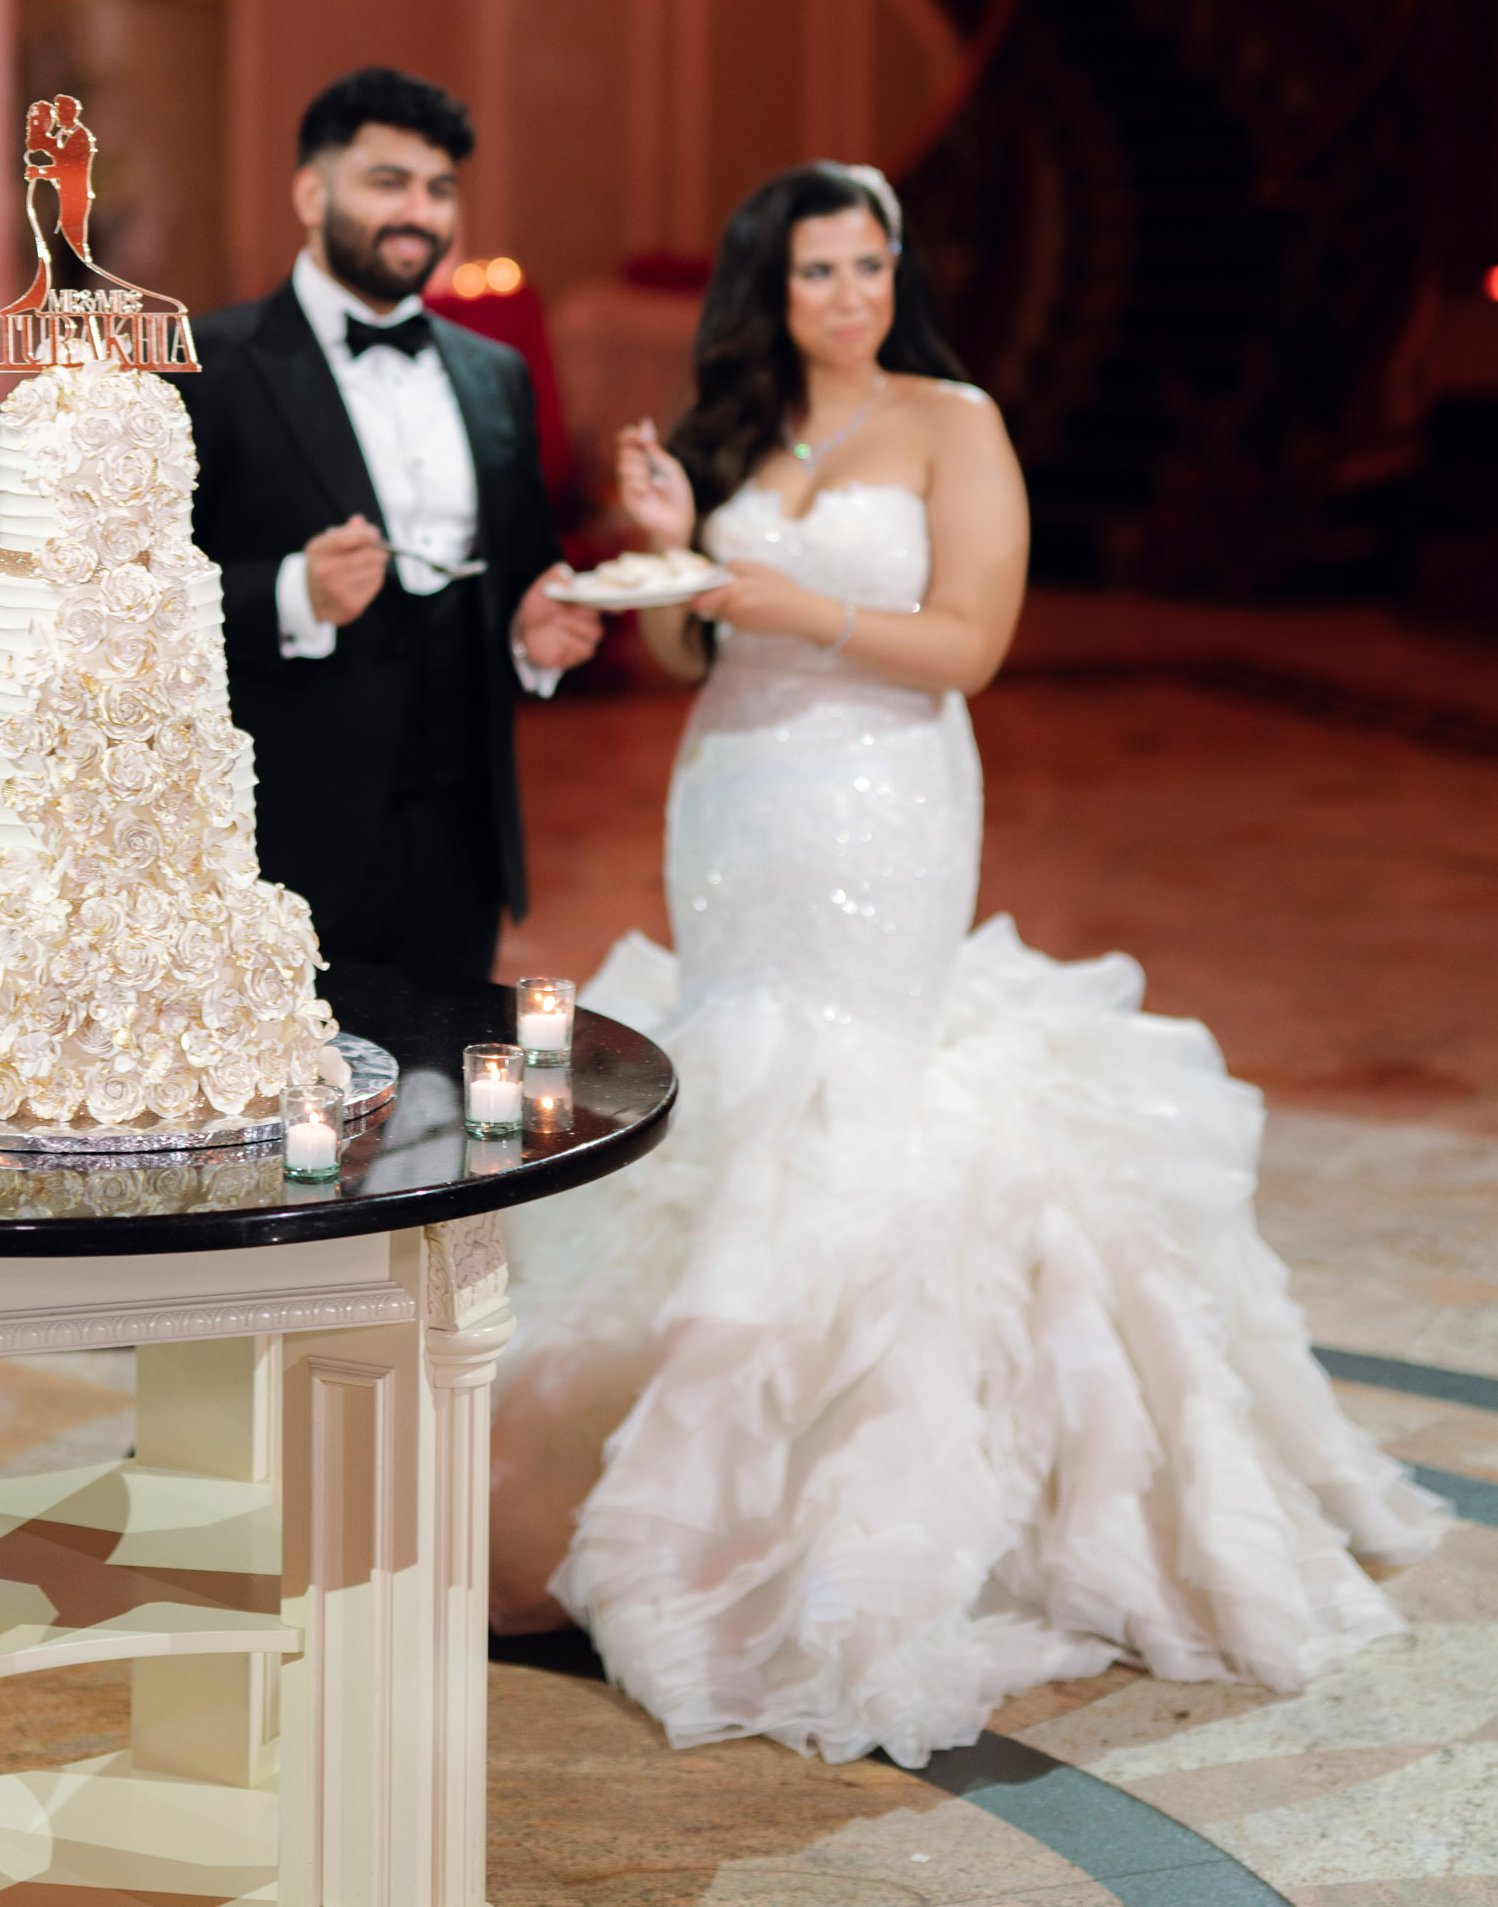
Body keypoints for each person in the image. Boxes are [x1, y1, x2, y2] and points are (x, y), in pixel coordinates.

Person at [489, 158, 1443, 1769]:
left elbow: (974, 643)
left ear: (895, 274)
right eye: (816, 274)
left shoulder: (955, 419)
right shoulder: (739, 433)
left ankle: (836, 1496)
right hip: (735, 793)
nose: (848, 297)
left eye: (869, 268)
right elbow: (684, 640)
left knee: (850, 1089)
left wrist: (797, 603)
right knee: (728, 1068)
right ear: (766, 289)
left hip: (883, 795)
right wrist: (671, 549)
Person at [184, 67, 600, 980]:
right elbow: (133, 606)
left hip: (463, 838)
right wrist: (295, 590)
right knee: (298, 1113)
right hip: (286, 837)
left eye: (439, 189)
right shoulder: (210, 365)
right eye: (388, 182)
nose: (419, 210)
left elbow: (526, 569)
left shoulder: (497, 373)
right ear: (310, 190)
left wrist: (536, 632)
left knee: (447, 1102)